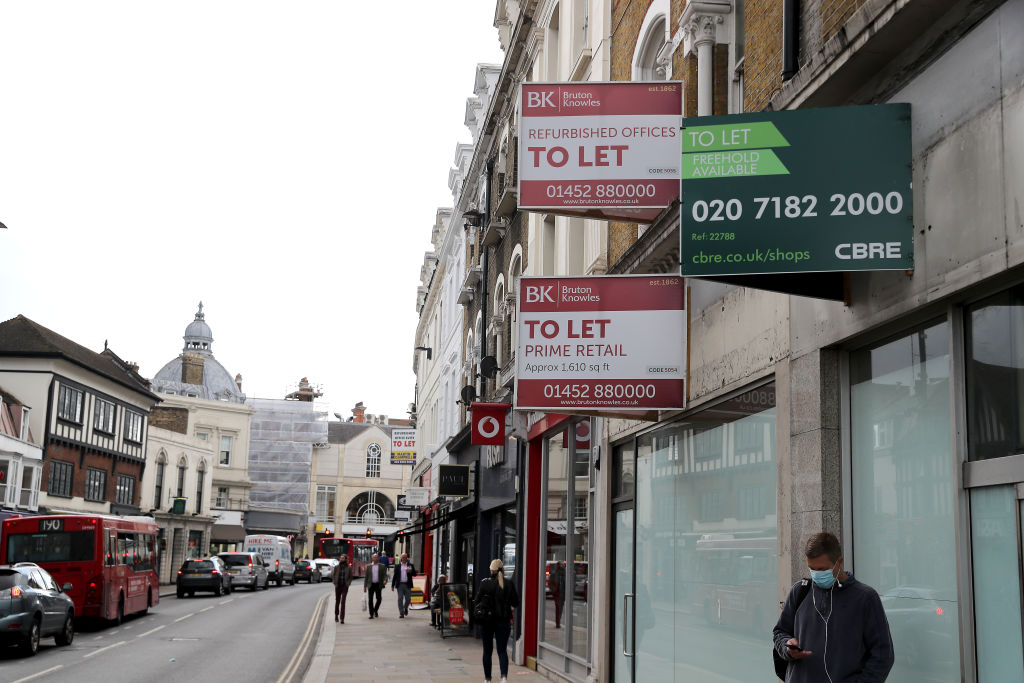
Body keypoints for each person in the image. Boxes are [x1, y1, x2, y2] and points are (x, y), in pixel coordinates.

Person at [773, 532, 894, 682]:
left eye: (822, 569)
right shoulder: (799, 592)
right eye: (812, 569)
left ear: (839, 562)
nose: (817, 575)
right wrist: (787, 647)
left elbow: (882, 655)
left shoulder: (865, 598)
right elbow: (780, 632)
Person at [477, 559, 519, 683]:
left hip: (487, 621)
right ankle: (504, 678)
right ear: (502, 569)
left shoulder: (485, 583)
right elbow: (516, 602)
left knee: (487, 651)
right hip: (503, 621)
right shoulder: (509, 583)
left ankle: (488, 679)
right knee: (502, 650)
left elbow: (477, 600)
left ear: (491, 570)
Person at [391, 552, 417, 618]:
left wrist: (410, 571)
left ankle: (405, 608)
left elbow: (415, 574)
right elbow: (395, 576)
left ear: (407, 558)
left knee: (408, 599)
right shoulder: (397, 566)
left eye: (405, 557)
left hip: (407, 584)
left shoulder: (410, 565)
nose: (404, 559)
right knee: (400, 598)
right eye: (403, 557)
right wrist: (392, 585)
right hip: (400, 585)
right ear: (401, 558)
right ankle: (401, 613)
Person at [363, 552, 388, 618]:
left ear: (378, 558)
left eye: (376, 557)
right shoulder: (368, 567)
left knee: (379, 599)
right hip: (370, 585)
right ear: (372, 558)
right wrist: (365, 587)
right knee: (370, 600)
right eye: (374, 557)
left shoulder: (382, 566)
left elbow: (385, 575)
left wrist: (385, 580)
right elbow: (366, 577)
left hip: (378, 585)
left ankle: (375, 610)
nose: (375, 558)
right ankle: (371, 614)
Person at [331, 553, 353, 623]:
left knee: (343, 601)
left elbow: (350, 577)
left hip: (344, 586)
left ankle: (342, 618)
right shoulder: (337, 567)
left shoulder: (349, 567)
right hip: (338, 586)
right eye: (340, 558)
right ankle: (336, 615)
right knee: (337, 601)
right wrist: (334, 582)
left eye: (343, 558)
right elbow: (334, 575)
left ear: (345, 559)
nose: (341, 559)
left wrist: (348, 584)